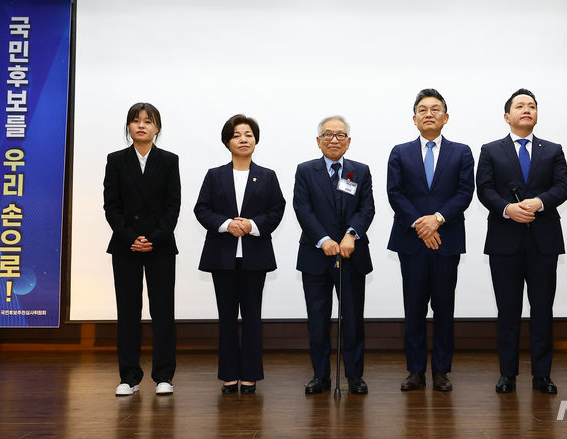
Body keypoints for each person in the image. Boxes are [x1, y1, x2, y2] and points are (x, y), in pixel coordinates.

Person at [475, 88, 567, 394]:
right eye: (520, 106)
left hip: (544, 240)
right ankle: (508, 374)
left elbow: (562, 188)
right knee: (508, 310)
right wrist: (508, 209)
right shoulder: (490, 150)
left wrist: (539, 203)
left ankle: (542, 374)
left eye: (532, 106)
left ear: (537, 114)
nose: (526, 109)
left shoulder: (552, 149)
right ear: (507, 116)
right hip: (505, 242)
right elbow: (484, 189)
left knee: (542, 310)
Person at [387, 89, 474, 392]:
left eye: (435, 109)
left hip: (446, 239)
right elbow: (395, 193)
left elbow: (464, 193)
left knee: (444, 307)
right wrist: (420, 224)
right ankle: (415, 370)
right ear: (414, 119)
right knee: (413, 307)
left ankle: (440, 370)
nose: (429, 114)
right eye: (422, 110)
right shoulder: (400, 152)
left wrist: (436, 220)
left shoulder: (461, 152)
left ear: (445, 117)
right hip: (411, 241)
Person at [194, 114, 285, 395]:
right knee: (226, 317)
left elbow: (276, 209)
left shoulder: (267, 175)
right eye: (236, 135)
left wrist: (251, 225)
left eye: (248, 134)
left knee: (252, 317)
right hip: (222, 257)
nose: (243, 139)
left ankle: (250, 375)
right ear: (227, 142)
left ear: (256, 141)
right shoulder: (215, 175)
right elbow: (202, 209)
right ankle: (229, 375)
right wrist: (227, 224)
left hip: (254, 256)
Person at [293, 115, 375, 395]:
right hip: (316, 255)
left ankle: (354, 376)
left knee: (352, 319)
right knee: (318, 319)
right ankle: (320, 376)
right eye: (328, 134)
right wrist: (323, 239)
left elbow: (367, 209)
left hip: (351, 255)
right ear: (318, 141)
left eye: (340, 135)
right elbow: (302, 209)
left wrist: (351, 234)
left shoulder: (360, 171)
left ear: (349, 142)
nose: (334, 139)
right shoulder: (305, 170)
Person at [103, 102, 181, 396]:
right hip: (126, 247)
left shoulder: (169, 160)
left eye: (148, 121)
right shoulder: (116, 160)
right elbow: (111, 206)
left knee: (163, 312)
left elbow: (173, 207)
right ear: (128, 127)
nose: (141, 125)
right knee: (128, 312)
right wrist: (130, 237)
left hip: (160, 246)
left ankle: (164, 376)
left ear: (157, 128)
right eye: (135, 121)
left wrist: (154, 238)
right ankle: (129, 377)